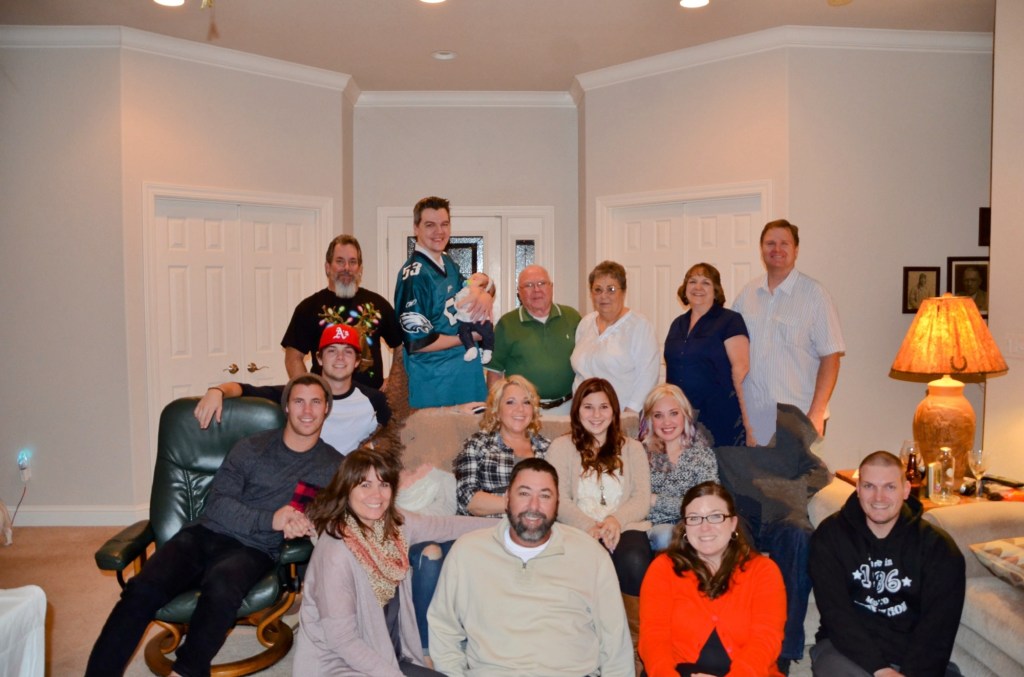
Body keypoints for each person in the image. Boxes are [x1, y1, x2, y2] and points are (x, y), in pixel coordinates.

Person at [86, 374, 342, 677]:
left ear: (327, 408)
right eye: (299, 401)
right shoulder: (252, 447)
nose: (307, 410)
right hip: (204, 533)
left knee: (221, 588)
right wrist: (271, 519)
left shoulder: (333, 466)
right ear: (286, 407)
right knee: (141, 589)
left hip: (254, 549)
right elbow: (218, 504)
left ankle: (187, 670)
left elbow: (342, 513)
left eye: (316, 402)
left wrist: (310, 523)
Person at [427, 457, 635, 677]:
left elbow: (615, 644)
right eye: (524, 493)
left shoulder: (591, 555)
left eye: (545, 496)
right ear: (507, 498)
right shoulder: (468, 552)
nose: (534, 506)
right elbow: (443, 628)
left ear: (557, 504)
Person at [293, 447, 491, 676]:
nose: (376, 495)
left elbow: (445, 526)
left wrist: (506, 526)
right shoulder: (335, 552)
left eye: (384, 484)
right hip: (338, 666)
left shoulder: (394, 526)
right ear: (346, 489)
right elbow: (343, 641)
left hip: (388, 655)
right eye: (365, 485)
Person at [809, 451, 966, 677]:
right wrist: (880, 670)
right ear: (858, 488)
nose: (879, 497)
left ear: (906, 490)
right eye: (869, 486)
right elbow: (837, 615)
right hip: (844, 650)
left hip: (910, 655)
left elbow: (938, 628)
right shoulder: (830, 537)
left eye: (890, 487)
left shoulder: (939, 548)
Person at [546, 377, 652, 670]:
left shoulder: (633, 448)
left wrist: (615, 520)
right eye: (588, 407)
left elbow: (642, 498)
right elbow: (558, 498)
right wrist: (589, 526)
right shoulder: (561, 447)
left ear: (614, 410)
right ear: (577, 410)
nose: (596, 414)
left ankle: (635, 648)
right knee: (590, 558)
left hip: (626, 526)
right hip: (579, 529)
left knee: (633, 558)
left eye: (603, 407)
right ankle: (589, 651)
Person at [639, 481, 787, 677]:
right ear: (685, 526)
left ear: (733, 523)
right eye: (694, 518)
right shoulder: (663, 569)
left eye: (716, 516)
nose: (705, 527)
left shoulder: (764, 571)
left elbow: (766, 640)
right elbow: (653, 638)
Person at [194, 324, 390, 456]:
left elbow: (396, 433)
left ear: (357, 361)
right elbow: (246, 389)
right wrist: (217, 391)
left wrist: (374, 446)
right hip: (306, 477)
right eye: (332, 351)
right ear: (319, 359)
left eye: (347, 352)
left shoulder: (374, 400)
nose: (340, 358)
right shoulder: (299, 394)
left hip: (351, 482)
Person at [732, 219, 846, 442]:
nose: (777, 249)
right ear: (761, 249)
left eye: (784, 243)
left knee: (799, 468)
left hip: (799, 419)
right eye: (770, 243)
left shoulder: (815, 295)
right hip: (753, 420)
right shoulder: (747, 295)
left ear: (796, 250)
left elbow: (831, 358)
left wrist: (816, 414)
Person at [394, 196, 491, 408]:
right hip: (436, 383)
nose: (439, 231)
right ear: (416, 228)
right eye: (430, 225)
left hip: (464, 376)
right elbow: (418, 343)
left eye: (444, 224)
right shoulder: (414, 276)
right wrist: (467, 337)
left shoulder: (446, 261)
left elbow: (469, 289)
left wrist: (485, 292)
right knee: (440, 432)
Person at [282, 234, 403, 388]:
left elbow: (400, 346)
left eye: (352, 262)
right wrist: (309, 393)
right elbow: (293, 357)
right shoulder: (308, 308)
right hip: (327, 400)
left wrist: (392, 383)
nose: (347, 268)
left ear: (360, 269)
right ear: (327, 267)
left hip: (370, 399)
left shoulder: (379, 305)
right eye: (340, 261)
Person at [665, 262, 755, 447]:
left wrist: (750, 423)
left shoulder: (730, 321)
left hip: (721, 418)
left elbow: (742, 370)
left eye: (705, 282)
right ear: (685, 288)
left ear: (716, 290)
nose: (698, 287)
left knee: (722, 465)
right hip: (682, 419)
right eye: (692, 281)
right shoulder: (677, 324)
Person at [487, 264, 581, 414]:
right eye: (528, 285)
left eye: (542, 283)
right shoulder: (507, 324)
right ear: (519, 293)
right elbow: (495, 373)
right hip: (523, 410)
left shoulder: (572, 317)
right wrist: (496, 409)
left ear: (551, 287)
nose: (536, 290)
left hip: (569, 407)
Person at [454, 374, 550, 517]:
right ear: (497, 411)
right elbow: (467, 500)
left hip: (536, 525)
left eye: (526, 402)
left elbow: (558, 498)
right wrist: (517, 504)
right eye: (510, 402)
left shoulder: (547, 448)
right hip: (488, 526)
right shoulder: (478, 444)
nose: (520, 409)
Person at [571, 260, 659, 413]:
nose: (604, 296)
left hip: (621, 417)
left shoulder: (639, 326)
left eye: (611, 289)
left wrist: (628, 417)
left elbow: (648, 378)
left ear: (623, 292)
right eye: (598, 290)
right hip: (584, 416)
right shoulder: (585, 323)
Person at [641, 384, 718, 552]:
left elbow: (706, 503)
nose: (666, 422)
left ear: (685, 414)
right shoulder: (640, 453)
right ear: (650, 420)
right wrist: (683, 505)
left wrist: (655, 500)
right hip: (651, 529)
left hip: (695, 527)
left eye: (673, 413)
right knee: (666, 535)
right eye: (658, 415)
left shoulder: (702, 455)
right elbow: (637, 502)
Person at [454, 271, 496, 364]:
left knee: (487, 333)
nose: (472, 278)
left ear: (483, 287)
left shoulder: (475, 289)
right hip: (466, 319)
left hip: (478, 319)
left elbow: (473, 297)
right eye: (472, 277)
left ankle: (487, 350)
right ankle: (471, 348)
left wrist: (461, 303)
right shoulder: (465, 289)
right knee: (463, 332)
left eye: (476, 279)